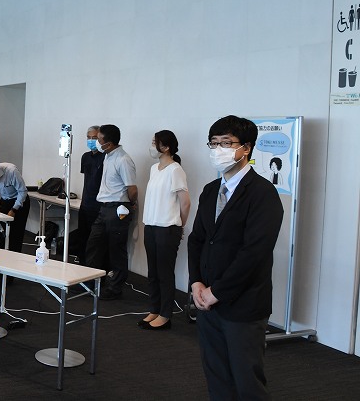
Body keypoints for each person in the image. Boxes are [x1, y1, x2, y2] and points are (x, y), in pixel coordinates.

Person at [188, 115, 283, 400]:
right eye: (214, 143)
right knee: (217, 376)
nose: (219, 150)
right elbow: (197, 239)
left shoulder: (263, 193)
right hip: (207, 301)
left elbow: (254, 252)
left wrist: (217, 291)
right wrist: (196, 282)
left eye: (226, 143)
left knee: (246, 380)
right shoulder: (210, 190)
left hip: (243, 305)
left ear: (246, 148)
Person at [139, 130, 190, 330]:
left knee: (164, 273)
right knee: (153, 271)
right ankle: (154, 308)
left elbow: (185, 203)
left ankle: (165, 314)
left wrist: (180, 225)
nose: (152, 146)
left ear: (166, 147)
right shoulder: (155, 168)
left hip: (167, 228)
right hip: (151, 226)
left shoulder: (175, 170)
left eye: (155, 142)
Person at [84, 124, 138, 300]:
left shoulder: (123, 160)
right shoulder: (108, 156)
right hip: (104, 207)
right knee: (94, 245)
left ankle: (115, 288)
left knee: (116, 249)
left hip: (118, 208)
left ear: (109, 143)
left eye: (99, 139)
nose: (96, 142)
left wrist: (131, 204)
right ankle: (91, 281)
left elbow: (132, 189)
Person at [72, 125, 105, 264]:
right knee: (82, 237)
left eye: (94, 138)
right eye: (89, 137)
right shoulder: (85, 157)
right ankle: (82, 264)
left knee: (96, 242)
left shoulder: (106, 157)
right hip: (85, 203)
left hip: (99, 206)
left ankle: (95, 269)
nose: (91, 140)